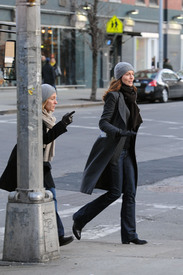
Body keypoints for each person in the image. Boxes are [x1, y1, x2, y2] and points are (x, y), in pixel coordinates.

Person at [72, 62, 147, 245]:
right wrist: (119, 132)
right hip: (115, 152)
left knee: (130, 193)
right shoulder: (114, 96)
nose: (131, 77)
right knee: (115, 192)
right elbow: (103, 123)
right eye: (127, 74)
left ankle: (130, 234)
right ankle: (80, 217)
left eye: (132, 74)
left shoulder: (132, 96)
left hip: (128, 152)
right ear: (119, 76)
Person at [0, 84, 75, 247]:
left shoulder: (45, 117)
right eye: (52, 99)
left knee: (51, 196)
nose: (56, 102)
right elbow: (43, 139)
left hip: (40, 163)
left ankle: (55, 234)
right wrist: (63, 124)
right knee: (47, 196)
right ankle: (55, 235)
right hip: (33, 163)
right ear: (43, 101)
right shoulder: (37, 119)